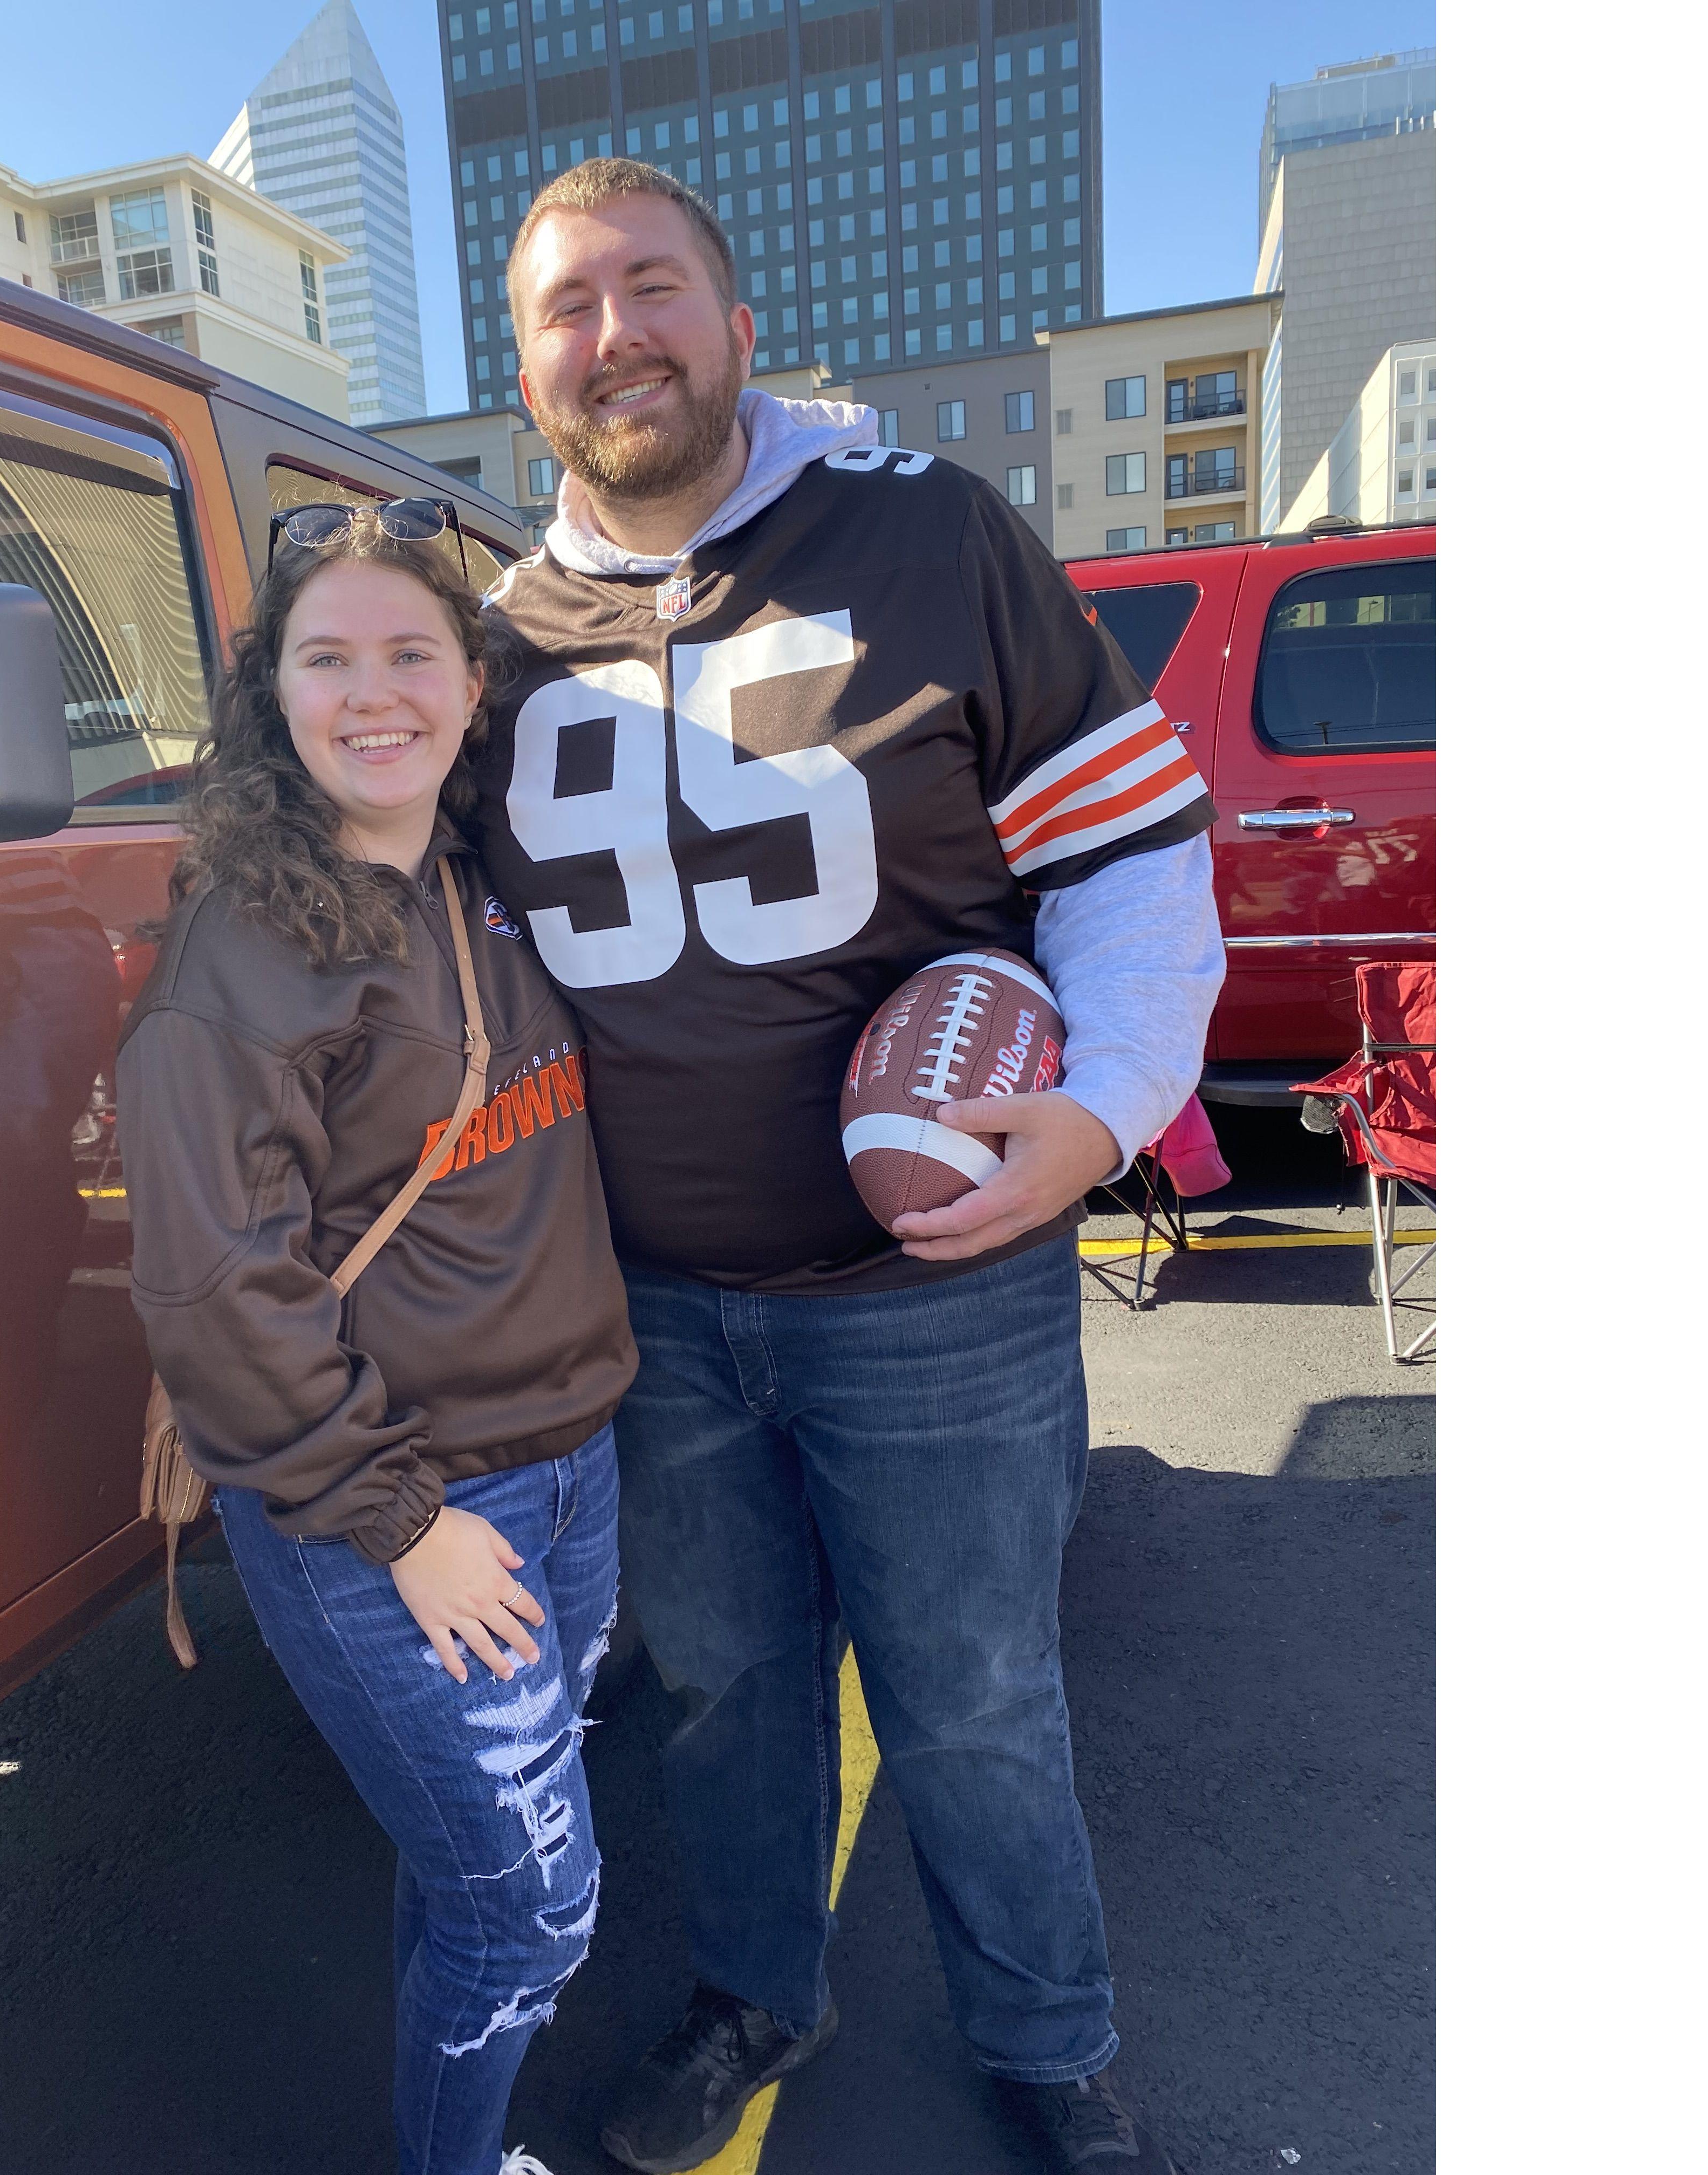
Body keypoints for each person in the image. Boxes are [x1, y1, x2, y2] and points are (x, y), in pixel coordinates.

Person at [475, 161, 1226, 2175]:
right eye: (568, 308)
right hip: (652, 1302)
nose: (615, 335)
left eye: (653, 289)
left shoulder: (929, 533)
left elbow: (1128, 853)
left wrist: (1104, 1110)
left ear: (735, 326)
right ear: (527, 372)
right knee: (723, 1689)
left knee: (972, 1695)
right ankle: (752, 1993)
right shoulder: (498, 648)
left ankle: (1051, 2044)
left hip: (937, 1296)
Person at [114, 504, 638, 2175]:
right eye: (326, 658)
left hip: (570, 1469)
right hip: (401, 1504)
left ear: (474, 685)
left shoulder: (482, 878)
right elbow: (215, 1285)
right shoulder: (244, 952)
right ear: (273, 693)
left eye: (412, 652)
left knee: (471, 1871)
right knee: (534, 1913)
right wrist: (402, 1523)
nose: (373, 693)